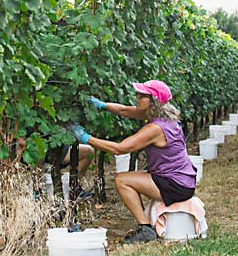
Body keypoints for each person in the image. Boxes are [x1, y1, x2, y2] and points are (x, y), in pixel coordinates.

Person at [69, 80, 196, 244]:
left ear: (153, 101)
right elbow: (125, 110)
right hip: (182, 180)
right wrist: (102, 105)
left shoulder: (155, 128)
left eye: (142, 95)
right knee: (131, 177)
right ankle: (146, 225)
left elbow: (119, 148)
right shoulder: (164, 117)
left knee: (122, 180)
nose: (137, 97)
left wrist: (85, 137)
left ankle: (145, 229)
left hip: (176, 185)